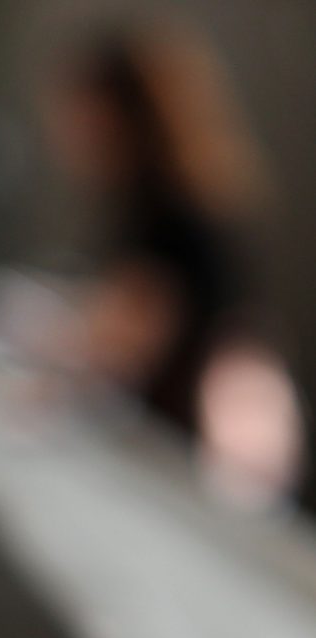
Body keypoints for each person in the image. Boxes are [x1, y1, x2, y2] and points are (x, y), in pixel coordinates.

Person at [45, 24, 303, 507]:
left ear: (118, 115)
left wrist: (50, 369)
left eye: (81, 113)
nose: (68, 131)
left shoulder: (168, 216)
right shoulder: (184, 199)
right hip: (188, 445)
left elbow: (121, 345)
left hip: (193, 453)